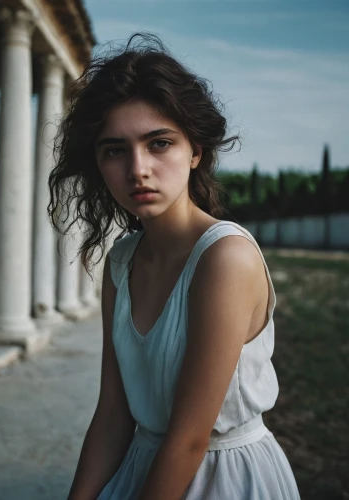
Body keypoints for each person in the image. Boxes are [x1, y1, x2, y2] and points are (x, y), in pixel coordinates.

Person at [48, 33, 300, 500]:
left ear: (195, 151)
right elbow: (112, 413)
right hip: (142, 466)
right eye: (115, 150)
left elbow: (189, 439)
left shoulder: (225, 258)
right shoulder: (121, 262)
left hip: (225, 477)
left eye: (159, 143)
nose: (138, 169)